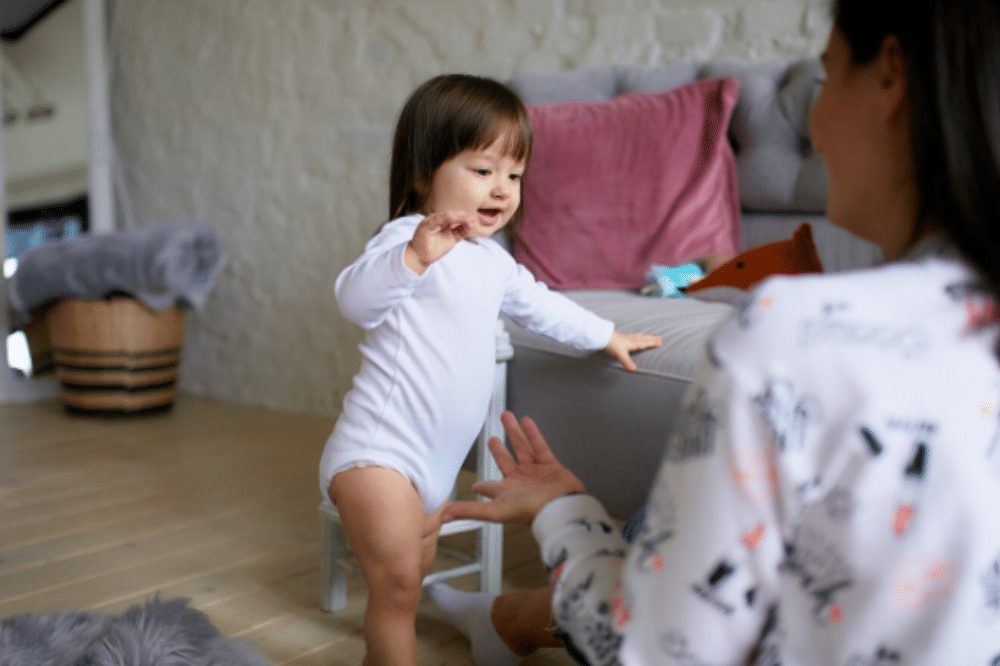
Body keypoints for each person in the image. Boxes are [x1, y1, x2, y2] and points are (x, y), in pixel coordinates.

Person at [435, 1, 1000, 664]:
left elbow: (658, 651)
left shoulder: (795, 332)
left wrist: (563, 509)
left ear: (889, 79)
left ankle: (515, 614)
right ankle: (514, 617)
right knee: (695, 497)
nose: (816, 124)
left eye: (826, 79)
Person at [319, 73, 662, 666]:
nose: (501, 189)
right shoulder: (406, 239)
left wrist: (606, 335)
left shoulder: (493, 262)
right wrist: (414, 258)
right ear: (423, 173)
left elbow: (543, 306)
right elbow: (353, 301)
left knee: (406, 580)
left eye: (515, 175)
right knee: (397, 587)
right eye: (482, 171)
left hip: (432, 470)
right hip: (378, 453)